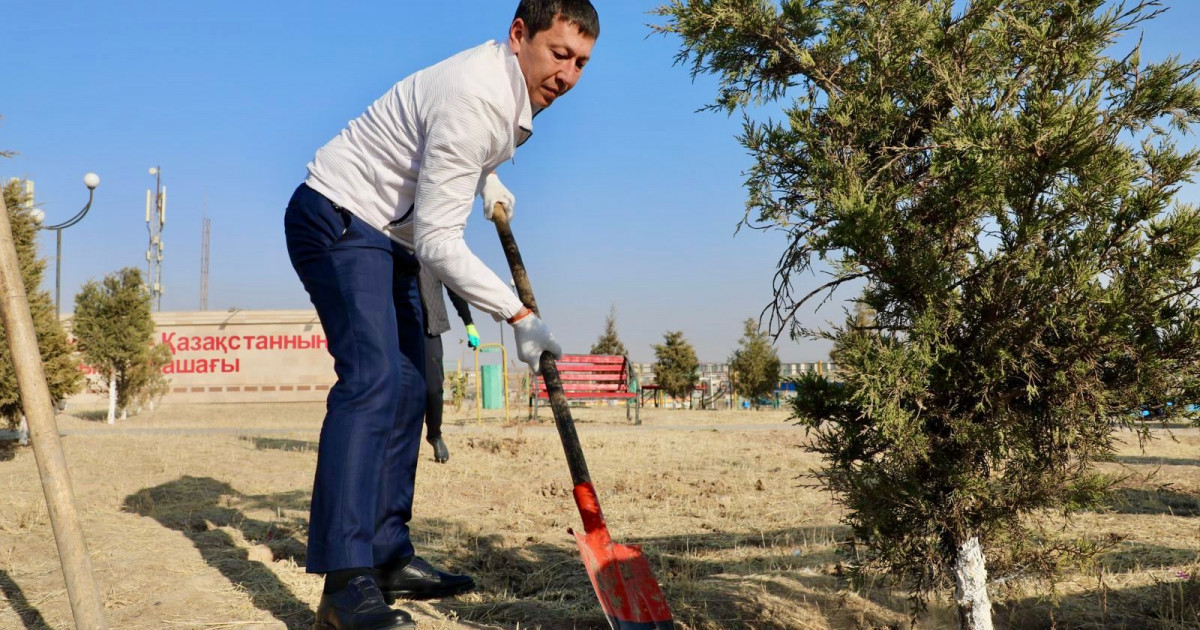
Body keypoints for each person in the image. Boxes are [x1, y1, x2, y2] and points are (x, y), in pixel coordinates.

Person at [283, 1, 597, 628]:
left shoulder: (503, 91)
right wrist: (516, 314)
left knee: (412, 388)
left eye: (581, 63)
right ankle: (346, 584)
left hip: (389, 233)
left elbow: (444, 156)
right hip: (340, 216)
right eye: (558, 54)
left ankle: (387, 552)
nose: (567, 75)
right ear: (519, 35)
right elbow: (439, 242)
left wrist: (486, 179)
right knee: (372, 382)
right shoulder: (476, 97)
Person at [418, 267, 480, 464]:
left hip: (429, 328)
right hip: (398, 326)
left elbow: (453, 288)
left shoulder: (430, 251)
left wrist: (468, 323)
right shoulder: (393, 245)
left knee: (434, 388)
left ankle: (435, 435)